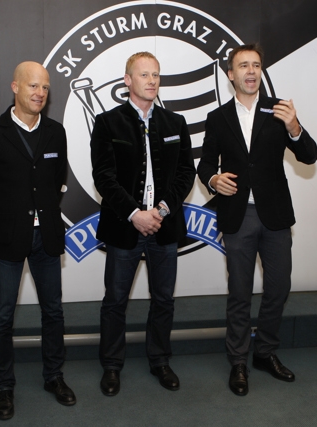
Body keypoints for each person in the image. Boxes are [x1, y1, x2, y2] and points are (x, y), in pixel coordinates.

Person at [197, 44, 317, 396]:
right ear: (231, 74)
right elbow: (205, 164)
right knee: (239, 293)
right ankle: (238, 360)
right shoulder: (218, 118)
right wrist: (213, 180)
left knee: (278, 289)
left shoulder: (280, 111)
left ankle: (265, 352)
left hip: (276, 216)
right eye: (243, 66)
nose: (251, 71)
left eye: (256, 65)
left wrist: (294, 126)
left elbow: (309, 155)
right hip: (238, 216)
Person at [0, 61, 74, 419]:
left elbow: (57, 178)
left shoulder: (56, 132)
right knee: (2, 317)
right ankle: (4, 386)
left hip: (46, 238)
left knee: (54, 312)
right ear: (14, 87)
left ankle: (54, 376)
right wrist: (8, 218)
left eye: (45, 88)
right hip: (8, 239)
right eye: (32, 86)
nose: (39, 94)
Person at [90, 52, 196, 396]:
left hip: (164, 226)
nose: (151, 81)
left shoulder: (175, 123)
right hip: (125, 226)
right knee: (115, 300)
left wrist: (162, 210)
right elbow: (104, 178)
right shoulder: (108, 123)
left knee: (163, 299)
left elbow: (186, 173)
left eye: (156, 75)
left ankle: (160, 360)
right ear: (127, 80)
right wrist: (136, 214)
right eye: (144, 74)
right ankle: (111, 365)